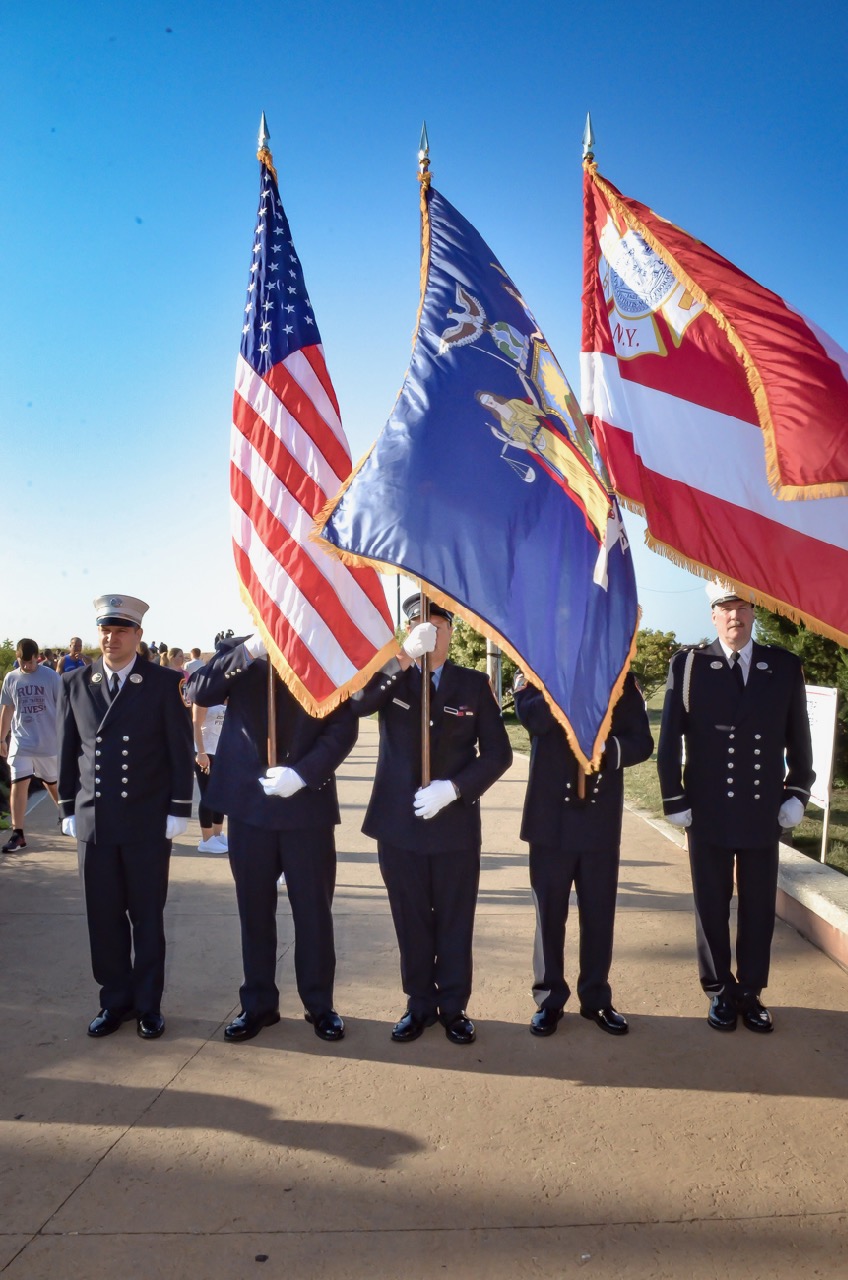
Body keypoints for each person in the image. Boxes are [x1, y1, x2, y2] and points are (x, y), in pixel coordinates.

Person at [352, 594, 513, 1045]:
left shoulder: (473, 684)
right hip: (398, 827)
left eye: (437, 626)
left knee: (455, 920)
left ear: (451, 632)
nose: (429, 633)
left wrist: (455, 788)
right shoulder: (393, 678)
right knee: (411, 919)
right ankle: (418, 1004)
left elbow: (498, 754)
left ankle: (455, 1008)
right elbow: (358, 705)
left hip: (454, 825)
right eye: (419, 625)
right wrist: (404, 655)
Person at [657, 580, 815, 1034]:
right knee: (711, 903)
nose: (734, 616)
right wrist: (674, 798)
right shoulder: (688, 666)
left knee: (759, 905)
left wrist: (797, 792)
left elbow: (798, 737)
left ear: (753, 612)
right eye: (725, 607)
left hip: (761, 808)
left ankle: (751, 991)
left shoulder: (783, 666)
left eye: (742, 607)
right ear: (713, 615)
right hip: (705, 810)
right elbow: (669, 741)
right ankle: (720, 991)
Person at [188, 633, 357, 1044]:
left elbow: (343, 726)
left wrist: (303, 774)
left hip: (306, 807)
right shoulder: (241, 653)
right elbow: (199, 690)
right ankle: (258, 1005)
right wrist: (246, 652)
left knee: (314, 913)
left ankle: (320, 1005)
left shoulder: (323, 653)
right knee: (254, 912)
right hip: (250, 807)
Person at [57, 594, 194, 1040]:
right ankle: (115, 1000)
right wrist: (66, 807)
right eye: (105, 630)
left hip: (145, 823)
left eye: (120, 631)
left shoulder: (161, 683)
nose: (110, 638)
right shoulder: (76, 683)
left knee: (148, 917)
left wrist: (178, 807)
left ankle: (149, 1005)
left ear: (138, 635)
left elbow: (178, 750)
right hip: (95, 824)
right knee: (104, 916)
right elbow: (68, 752)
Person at [514, 670, 653, 1037]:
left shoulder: (618, 677)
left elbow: (642, 741)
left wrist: (608, 750)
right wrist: (565, 684)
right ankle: (549, 999)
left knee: (598, 913)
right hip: (549, 820)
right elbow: (534, 720)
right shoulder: (536, 672)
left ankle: (596, 998)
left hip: (599, 818)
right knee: (549, 914)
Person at [1, 639, 62, 852]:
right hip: (21, 741)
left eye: (31, 662)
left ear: (38, 657)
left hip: (48, 741)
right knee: (18, 783)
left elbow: (63, 709)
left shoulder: (51, 677)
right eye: (22, 662)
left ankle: (64, 811)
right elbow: (8, 709)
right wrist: (2, 738)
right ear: (17, 658)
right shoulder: (11, 678)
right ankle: (18, 834)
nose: (27, 666)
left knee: (51, 782)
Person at [192, 699, 228, 852]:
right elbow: (196, 725)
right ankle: (206, 840)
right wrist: (201, 752)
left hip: (221, 751)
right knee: (208, 794)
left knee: (221, 794)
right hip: (205, 752)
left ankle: (217, 834)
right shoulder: (204, 697)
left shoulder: (225, 694)